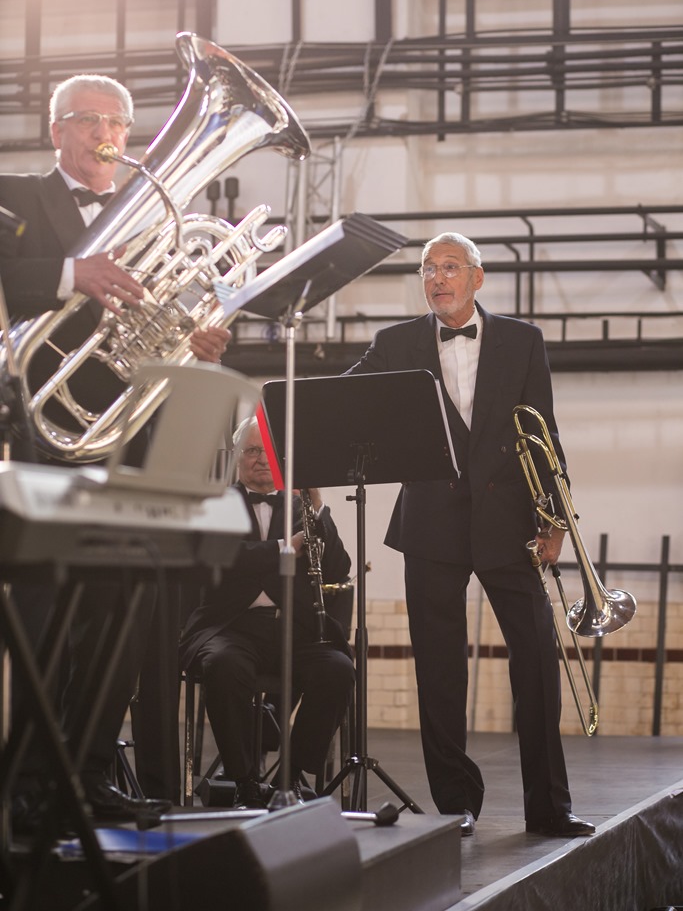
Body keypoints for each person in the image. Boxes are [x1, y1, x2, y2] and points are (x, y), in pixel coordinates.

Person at [0, 73, 229, 825]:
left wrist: (196, 338)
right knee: (43, 614)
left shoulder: (159, 213)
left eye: (119, 123)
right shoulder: (13, 196)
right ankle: (27, 784)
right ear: (56, 129)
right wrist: (73, 272)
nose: (106, 134)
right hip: (43, 429)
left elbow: (164, 315)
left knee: (120, 611)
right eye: (88, 120)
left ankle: (90, 773)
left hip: (130, 433)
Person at [345, 231, 595, 839]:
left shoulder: (523, 340)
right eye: (428, 268)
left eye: (450, 267)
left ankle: (549, 808)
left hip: (510, 523)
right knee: (439, 671)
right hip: (430, 523)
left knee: (537, 663)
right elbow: (342, 401)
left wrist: (555, 520)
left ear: (477, 278)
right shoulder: (396, 342)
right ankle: (456, 804)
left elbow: (543, 433)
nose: (437, 278)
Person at [179, 416, 355, 809]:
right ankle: (244, 781)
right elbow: (220, 558)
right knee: (223, 665)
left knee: (337, 669)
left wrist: (319, 508)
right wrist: (282, 549)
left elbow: (337, 569)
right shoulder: (216, 503)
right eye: (252, 451)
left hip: (294, 628)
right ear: (236, 457)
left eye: (269, 451)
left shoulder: (300, 505)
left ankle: (289, 778)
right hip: (231, 626)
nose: (261, 459)